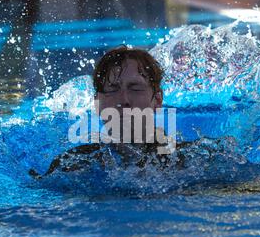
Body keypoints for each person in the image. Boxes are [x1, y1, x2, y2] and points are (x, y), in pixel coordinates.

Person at [29, 45, 185, 179]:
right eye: (112, 89)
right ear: (97, 104)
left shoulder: (186, 159)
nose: (124, 99)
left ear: (157, 100)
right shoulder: (72, 164)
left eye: (135, 88)